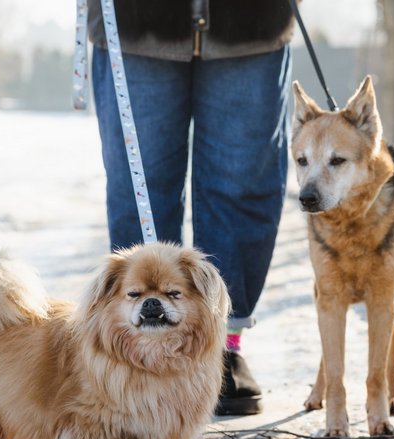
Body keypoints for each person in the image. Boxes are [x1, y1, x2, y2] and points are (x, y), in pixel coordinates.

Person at [88, 0, 295, 415]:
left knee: (242, 185)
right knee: (140, 191)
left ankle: (224, 346)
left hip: (252, 22)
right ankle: (139, 354)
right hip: (136, 23)